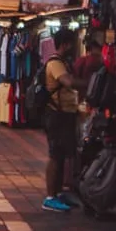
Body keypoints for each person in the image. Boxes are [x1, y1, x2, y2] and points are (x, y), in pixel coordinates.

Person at [42, 29, 80, 212]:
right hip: (56, 115)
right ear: (65, 44)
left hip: (65, 114)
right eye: (73, 43)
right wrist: (91, 82)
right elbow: (68, 82)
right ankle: (50, 197)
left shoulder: (63, 62)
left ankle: (57, 194)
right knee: (55, 155)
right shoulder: (55, 63)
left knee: (62, 155)